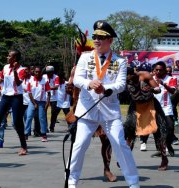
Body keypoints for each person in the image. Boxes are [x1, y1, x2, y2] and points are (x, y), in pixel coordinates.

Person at [68, 20, 139, 188]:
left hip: (109, 112)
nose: (97, 41)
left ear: (110, 40)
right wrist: (88, 84)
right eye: (95, 37)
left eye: (101, 37)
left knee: (120, 144)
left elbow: (121, 85)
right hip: (87, 110)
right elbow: (77, 79)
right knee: (79, 145)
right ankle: (71, 181)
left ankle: (133, 182)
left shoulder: (119, 61)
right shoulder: (85, 57)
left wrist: (105, 88)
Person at [124, 67, 172, 171]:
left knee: (159, 133)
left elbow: (158, 89)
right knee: (130, 134)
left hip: (151, 105)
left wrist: (151, 89)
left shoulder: (145, 75)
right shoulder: (123, 79)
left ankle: (164, 159)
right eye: (126, 78)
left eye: (129, 77)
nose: (128, 79)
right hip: (136, 106)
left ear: (133, 74)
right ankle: (125, 159)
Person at [0, 49, 28, 156]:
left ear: (14, 58)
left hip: (16, 97)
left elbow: (18, 83)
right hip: (6, 96)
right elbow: (1, 79)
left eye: (9, 56)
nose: (7, 57)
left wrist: (15, 70)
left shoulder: (22, 69)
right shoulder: (6, 67)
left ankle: (23, 146)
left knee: (17, 122)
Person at [25, 66, 51, 142]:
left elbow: (49, 93)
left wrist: (47, 103)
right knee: (29, 117)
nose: (37, 73)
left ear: (41, 73)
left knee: (42, 118)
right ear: (34, 72)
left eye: (39, 72)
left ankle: (44, 135)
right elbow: (29, 93)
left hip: (41, 102)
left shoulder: (45, 81)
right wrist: (34, 103)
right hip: (32, 101)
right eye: (36, 72)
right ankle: (26, 134)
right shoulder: (31, 80)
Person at [44, 65, 59, 133]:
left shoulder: (56, 77)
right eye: (47, 72)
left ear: (53, 72)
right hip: (45, 97)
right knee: (44, 112)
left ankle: (52, 127)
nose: (48, 73)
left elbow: (56, 87)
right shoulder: (44, 77)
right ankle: (45, 127)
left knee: (53, 113)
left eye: (49, 72)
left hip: (54, 98)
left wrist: (48, 88)